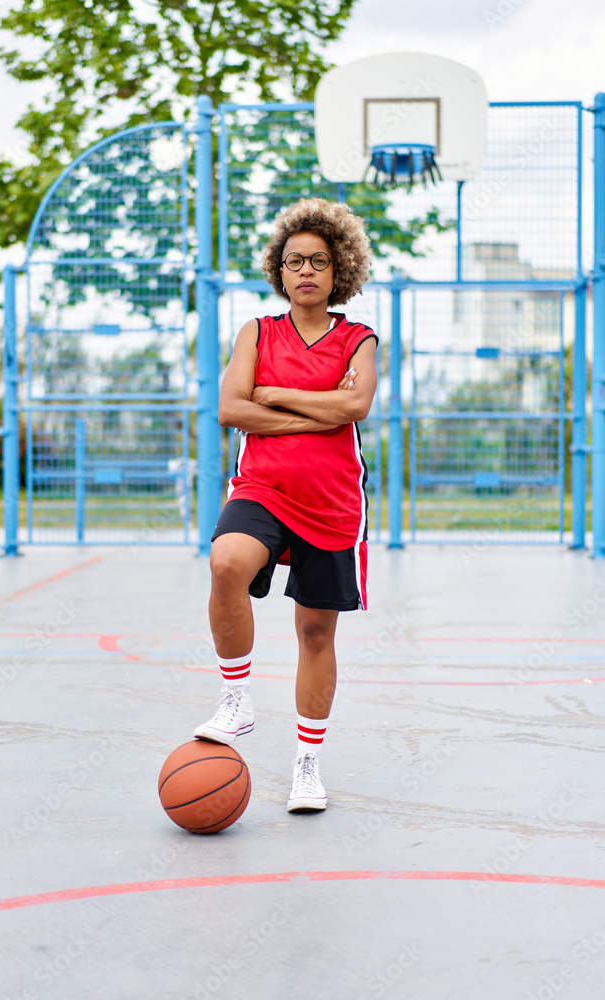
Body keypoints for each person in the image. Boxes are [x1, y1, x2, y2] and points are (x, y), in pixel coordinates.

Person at [194, 197, 378, 812]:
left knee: (315, 632)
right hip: (263, 490)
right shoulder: (257, 331)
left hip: (332, 503)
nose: (305, 271)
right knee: (226, 564)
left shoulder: (358, 338)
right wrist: (314, 405)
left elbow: (354, 410)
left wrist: (274, 396)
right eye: (294, 260)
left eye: (319, 261)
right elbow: (231, 409)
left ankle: (307, 765)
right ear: (280, 270)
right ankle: (237, 698)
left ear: (338, 270)